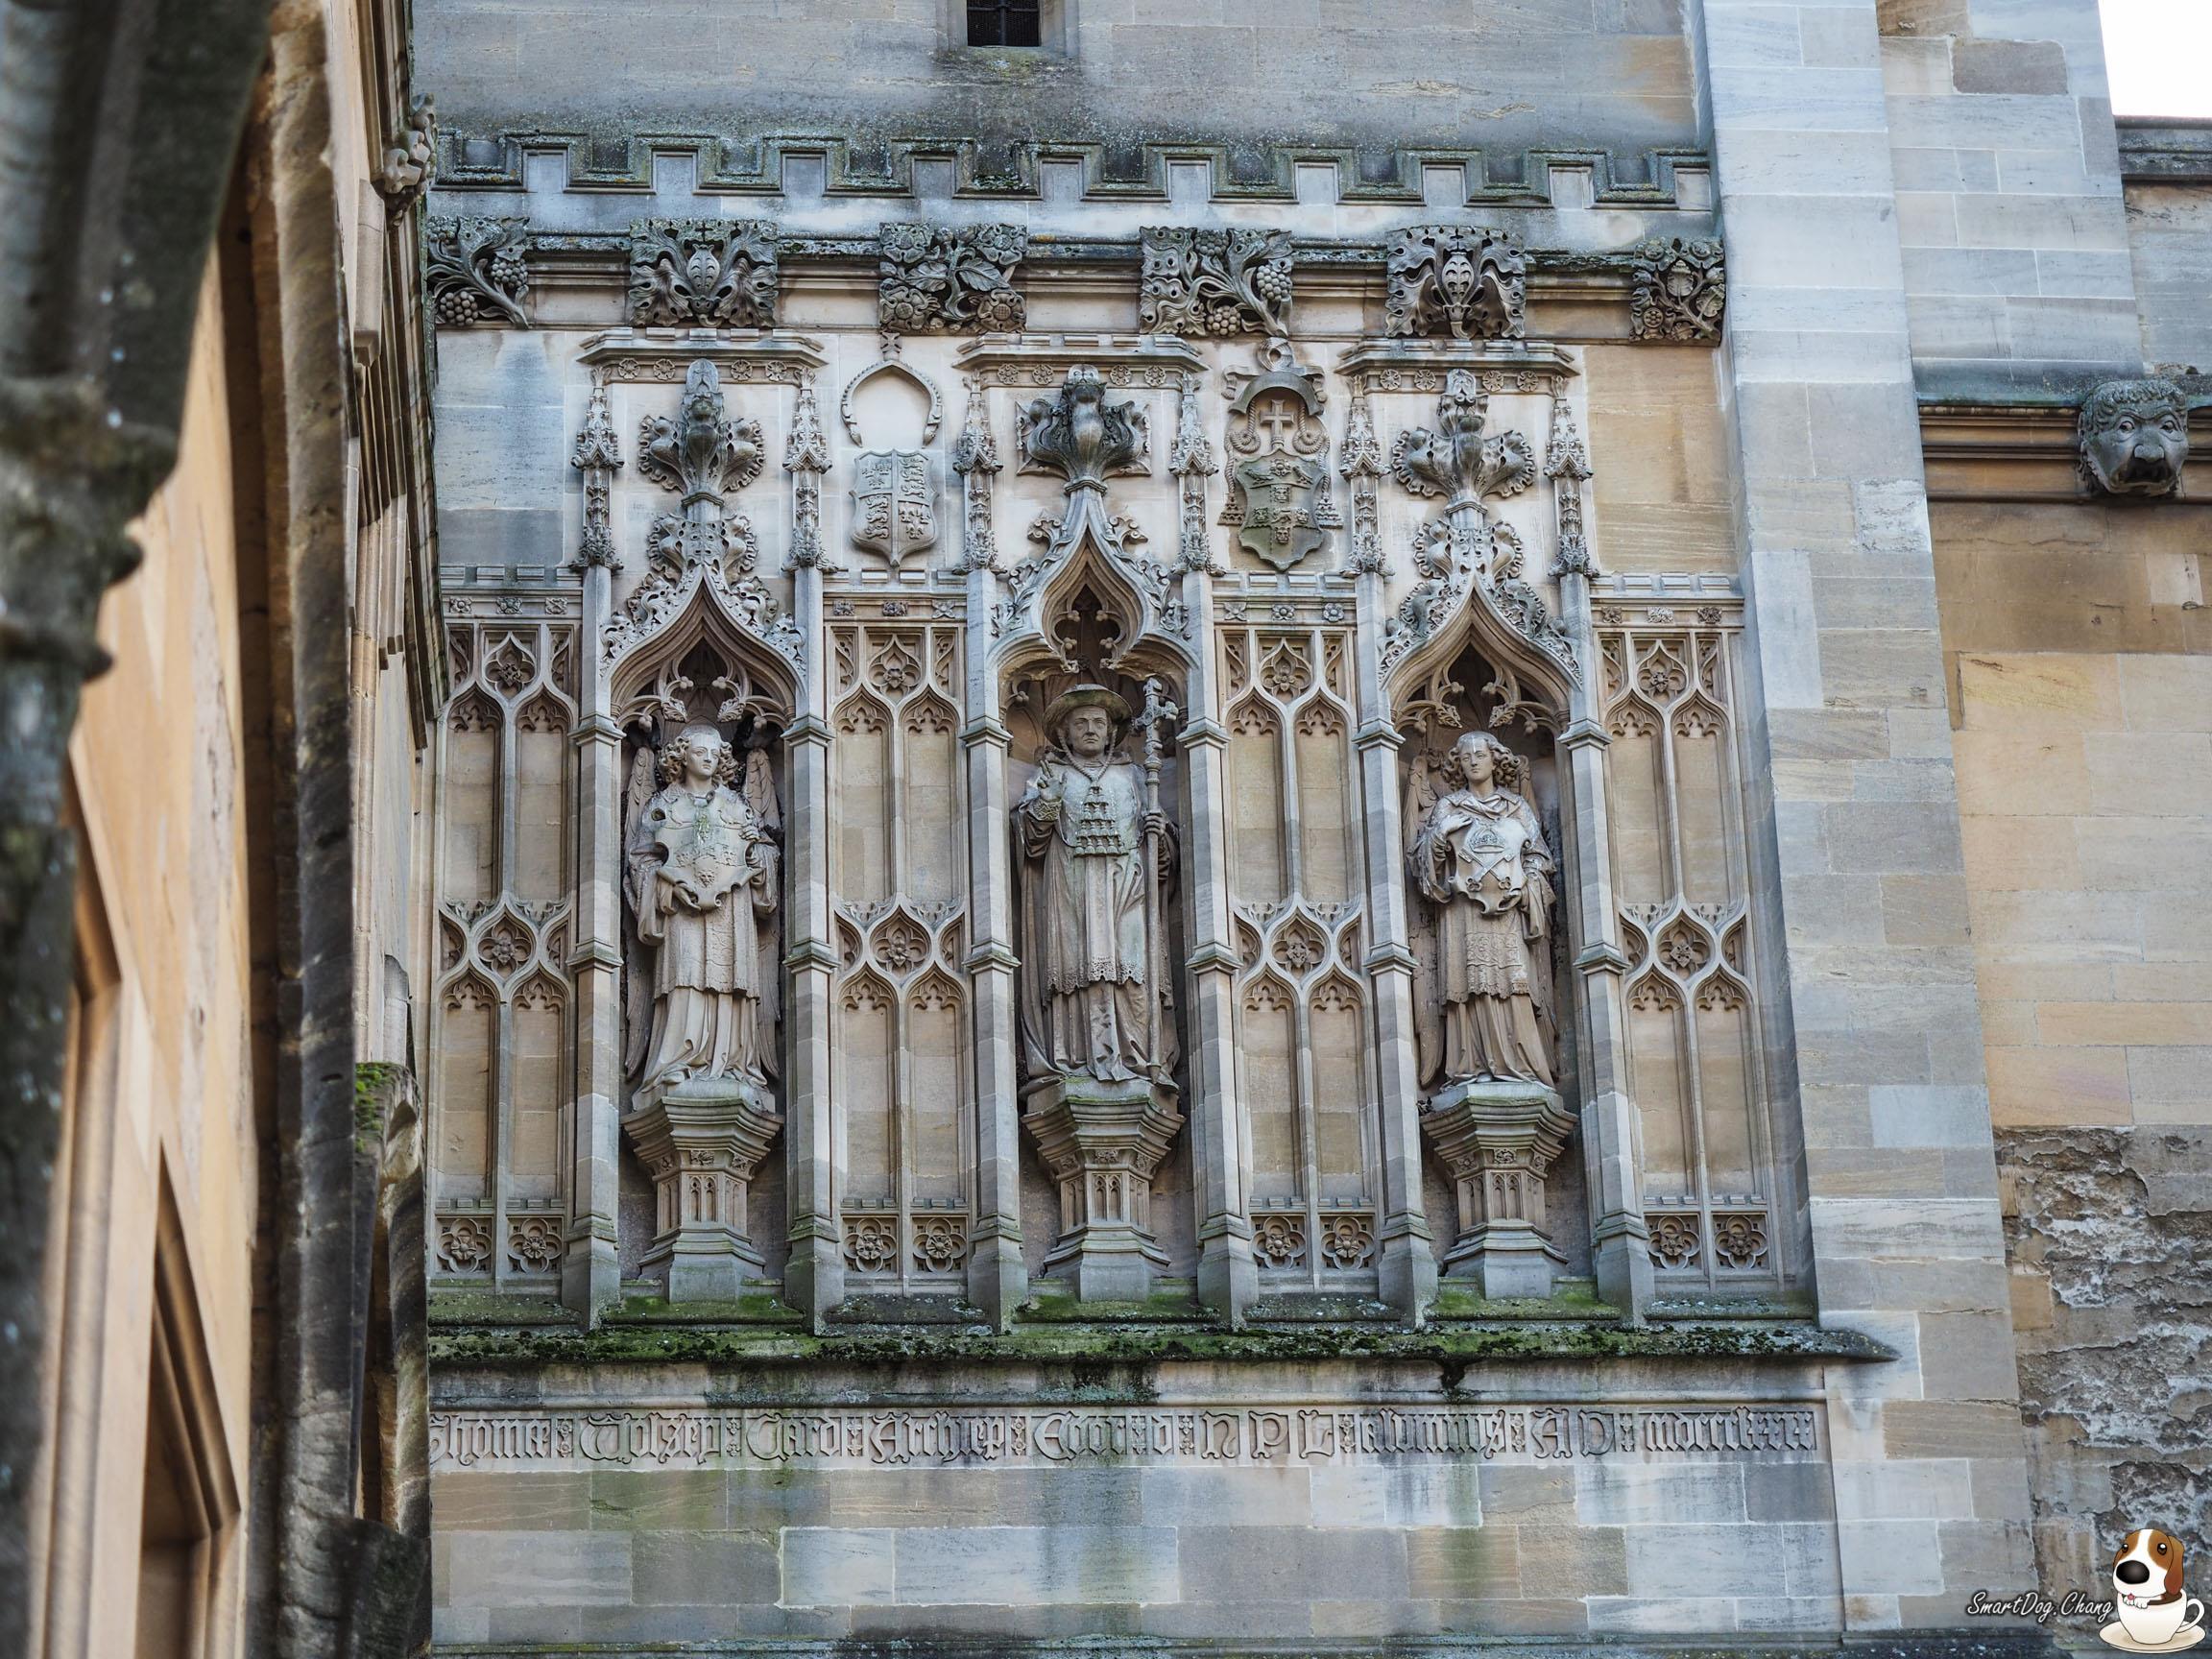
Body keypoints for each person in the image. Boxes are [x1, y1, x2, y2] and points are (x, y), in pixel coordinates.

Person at [1014, 685, 1174, 1085]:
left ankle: (1136, 1058)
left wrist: (1159, 834)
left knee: (1132, 967)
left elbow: (1162, 858)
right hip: (1071, 887)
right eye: (1080, 723)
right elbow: (1030, 842)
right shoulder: (1051, 775)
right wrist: (1045, 806)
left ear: (1111, 731)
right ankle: (1077, 1057)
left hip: (1127, 888)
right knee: (1077, 970)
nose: (1090, 729)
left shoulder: (1135, 777)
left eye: (1098, 722)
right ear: (1064, 733)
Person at [1407, 730, 1555, 1087]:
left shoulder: (1515, 807)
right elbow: (1423, 863)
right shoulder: (1448, 807)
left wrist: (1525, 886)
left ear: (1495, 759)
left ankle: (1520, 1065)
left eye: (1480, 754)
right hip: (1463, 912)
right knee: (1469, 987)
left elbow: (1538, 856)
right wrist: (1440, 834)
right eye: (1466, 756)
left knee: (1514, 984)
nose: (1473, 761)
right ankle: (1470, 1066)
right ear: (1458, 764)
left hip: (1509, 911)